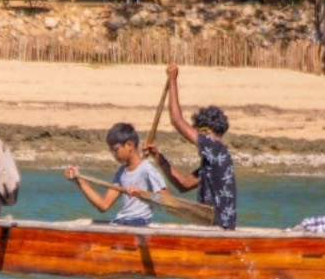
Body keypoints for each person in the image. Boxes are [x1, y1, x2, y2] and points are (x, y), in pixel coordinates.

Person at [144, 64, 237, 229]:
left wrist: (172, 79)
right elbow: (184, 184)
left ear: (207, 131)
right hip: (210, 230)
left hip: (219, 232)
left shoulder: (216, 149)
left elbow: (177, 121)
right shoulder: (213, 163)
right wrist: (157, 156)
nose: (194, 137)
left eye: (198, 132)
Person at [64, 122, 168, 227]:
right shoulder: (121, 172)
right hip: (121, 221)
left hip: (138, 223)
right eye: (111, 151)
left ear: (129, 145)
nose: (114, 155)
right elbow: (103, 205)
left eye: (115, 150)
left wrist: (142, 194)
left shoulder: (147, 169)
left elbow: (166, 200)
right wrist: (81, 182)